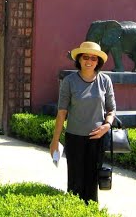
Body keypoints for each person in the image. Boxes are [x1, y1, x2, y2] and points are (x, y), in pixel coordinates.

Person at [50, 41, 116, 204]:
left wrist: (106, 126)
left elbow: (112, 109)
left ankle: (91, 212)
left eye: (93, 58)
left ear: (98, 61)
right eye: (86, 57)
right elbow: (62, 112)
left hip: (96, 139)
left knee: (92, 182)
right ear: (79, 59)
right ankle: (74, 211)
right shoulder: (69, 81)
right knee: (75, 181)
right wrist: (55, 140)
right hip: (74, 139)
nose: (89, 61)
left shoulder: (105, 81)